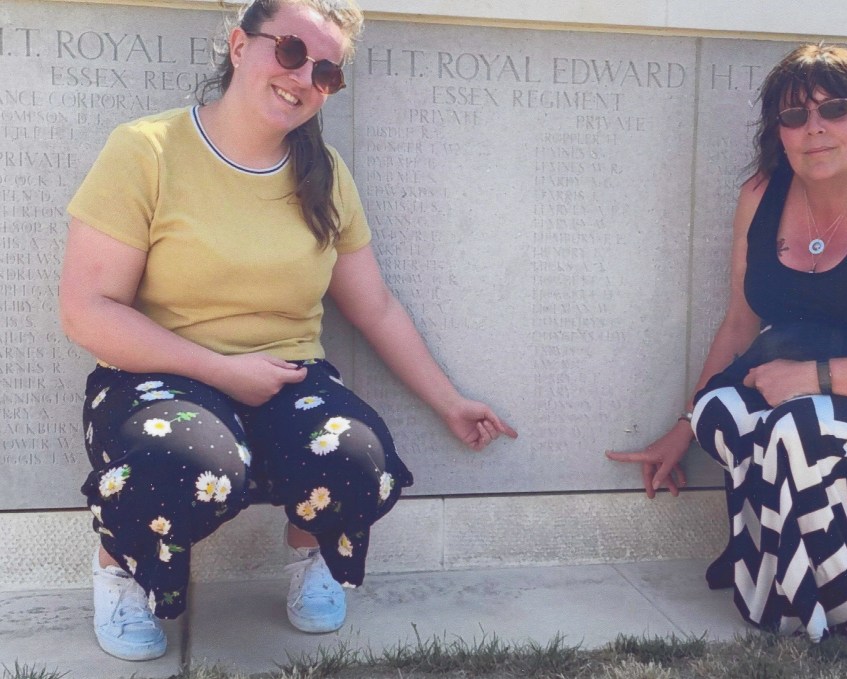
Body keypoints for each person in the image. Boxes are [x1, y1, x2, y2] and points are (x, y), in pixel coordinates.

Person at [58, 0, 517, 661]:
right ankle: (122, 567)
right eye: (291, 52)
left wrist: (448, 401)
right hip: (158, 377)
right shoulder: (146, 150)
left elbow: (375, 307)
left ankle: (311, 553)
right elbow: (87, 309)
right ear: (239, 46)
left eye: (326, 72)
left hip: (286, 376)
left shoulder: (325, 175)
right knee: (188, 463)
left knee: (357, 456)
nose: (304, 78)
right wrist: (221, 371)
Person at [608, 43, 847, 641]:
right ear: (779, 132)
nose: (814, 127)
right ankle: (793, 579)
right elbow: (741, 324)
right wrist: (685, 426)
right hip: (811, 393)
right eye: (794, 115)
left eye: (834, 109)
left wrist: (814, 377)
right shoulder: (761, 196)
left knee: (800, 427)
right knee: (720, 411)